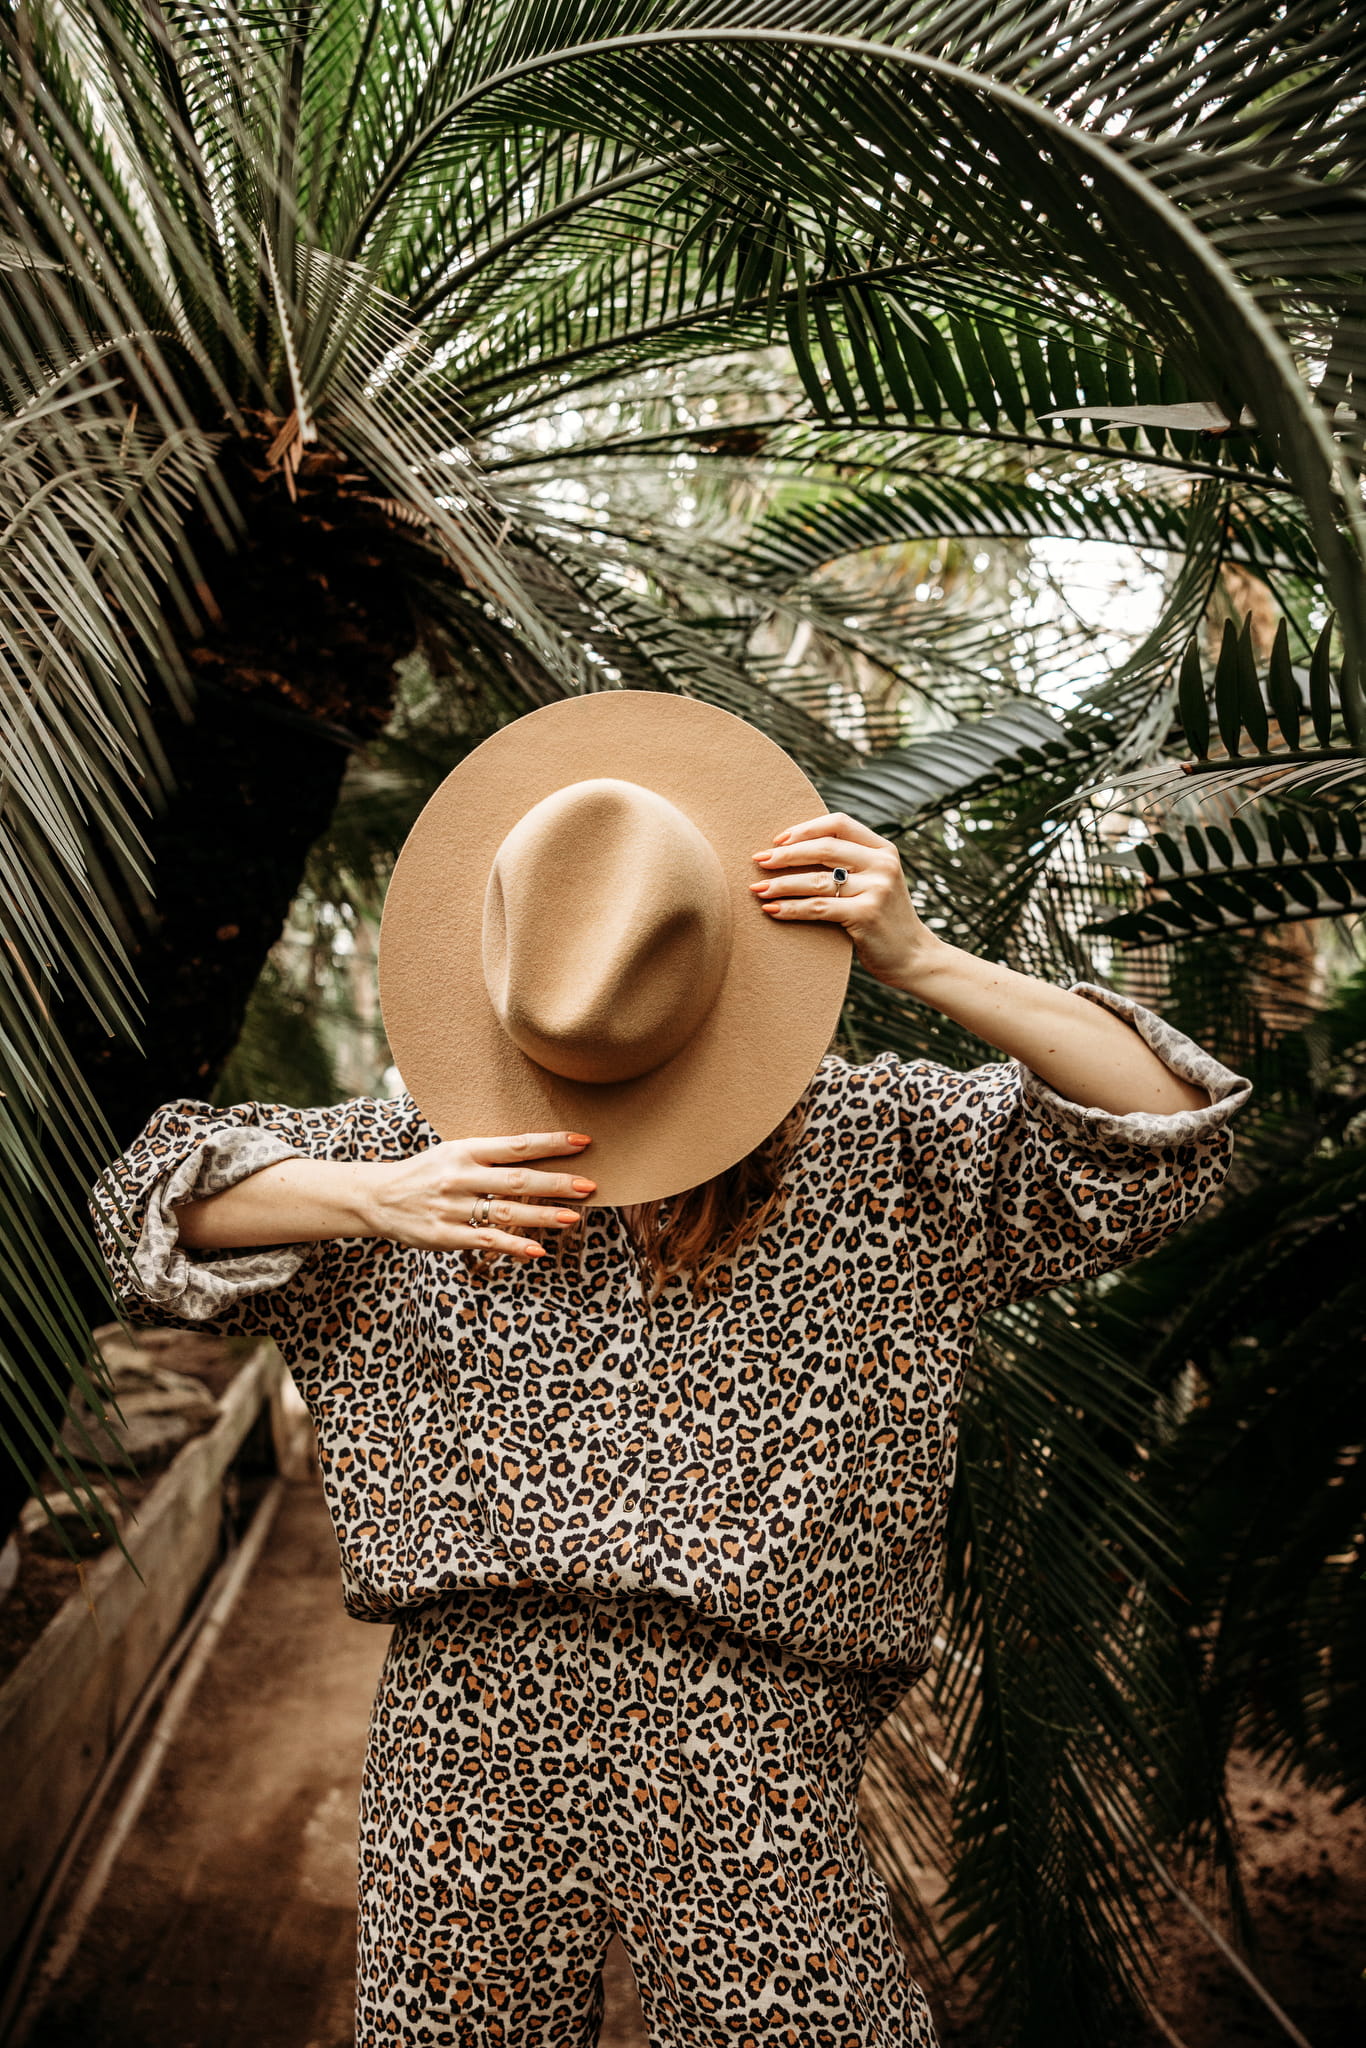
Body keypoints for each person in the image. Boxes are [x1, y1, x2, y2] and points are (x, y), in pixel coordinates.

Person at [91, 693, 1249, 2048]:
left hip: (751, 1727)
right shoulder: (430, 1162)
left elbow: (1171, 1138)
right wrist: (371, 1198)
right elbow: (140, 1213)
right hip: (469, 1715)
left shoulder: (879, 1151)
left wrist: (923, 959)